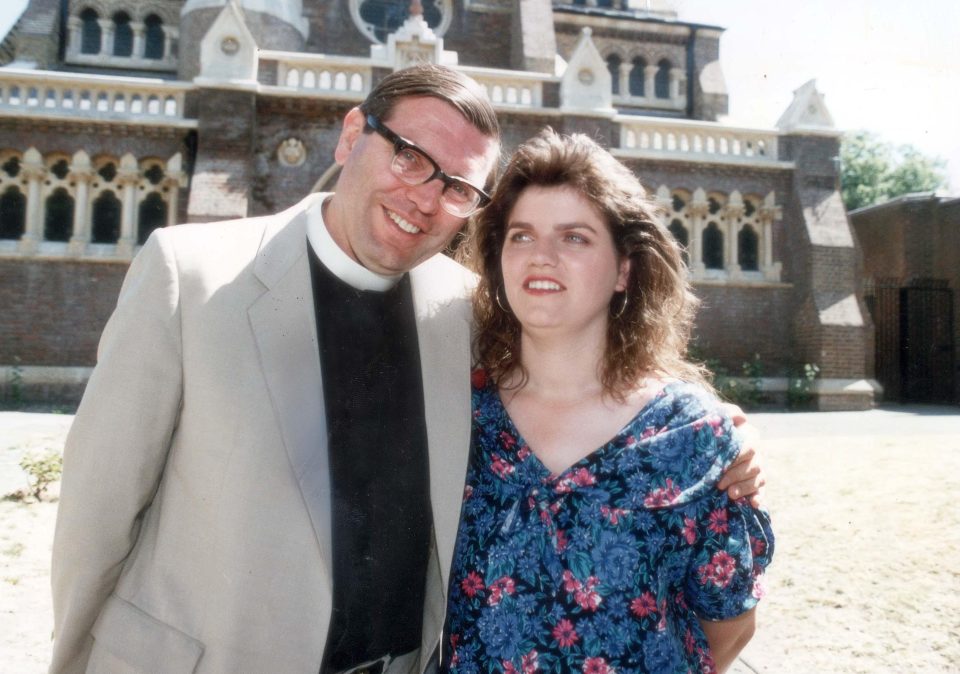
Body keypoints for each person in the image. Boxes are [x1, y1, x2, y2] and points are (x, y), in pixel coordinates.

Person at [50, 65, 763, 674]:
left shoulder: (461, 313)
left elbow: (593, 369)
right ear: (353, 134)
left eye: (458, 186)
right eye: (408, 155)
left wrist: (716, 431)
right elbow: (96, 518)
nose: (425, 196)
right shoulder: (190, 276)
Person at [443, 129, 774, 673]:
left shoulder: (689, 435)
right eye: (521, 237)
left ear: (624, 269)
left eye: (574, 238)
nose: (541, 257)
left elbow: (729, 628)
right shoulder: (458, 413)